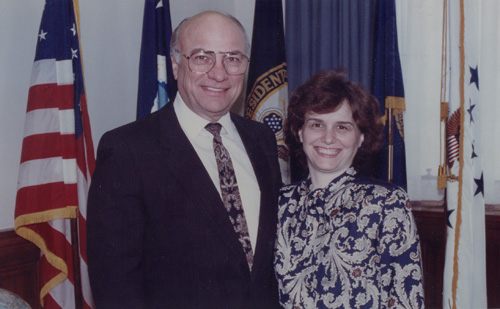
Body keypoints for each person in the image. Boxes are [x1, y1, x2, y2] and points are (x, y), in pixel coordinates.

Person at [87, 11, 282, 308]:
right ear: (176, 64)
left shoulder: (262, 140)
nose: (220, 73)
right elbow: (116, 286)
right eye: (203, 57)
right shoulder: (127, 149)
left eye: (233, 58)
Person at [274, 69, 425, 308]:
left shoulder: (386, 203)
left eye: (342, 127)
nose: (328, 138)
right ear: (300, 132)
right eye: (317, 124)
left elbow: (405, 299)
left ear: (360, 137)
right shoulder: (279, 203)